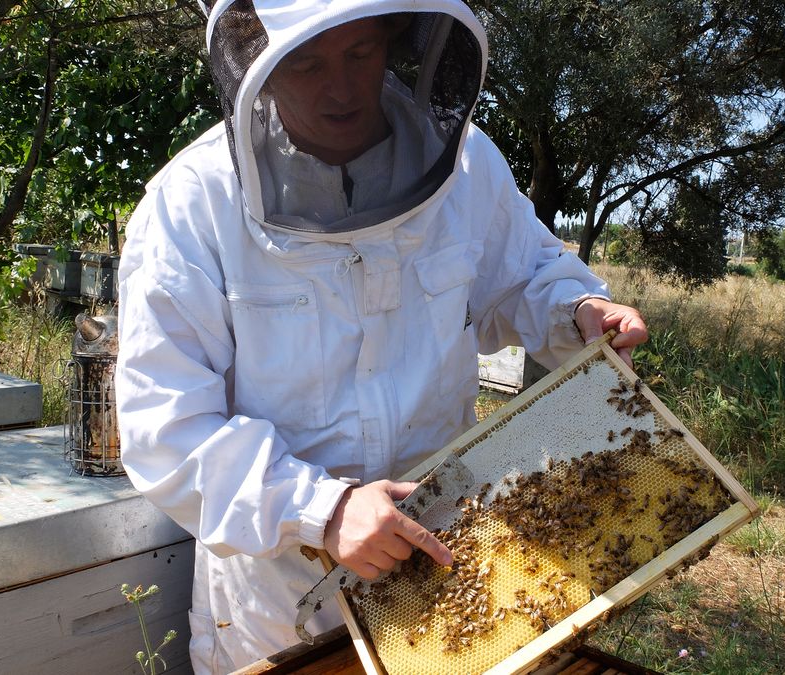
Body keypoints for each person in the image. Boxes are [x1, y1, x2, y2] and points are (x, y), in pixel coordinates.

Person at [114, 1, 648, 672]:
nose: (339, 87)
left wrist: (578, 310)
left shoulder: (467, 164)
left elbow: (524, 274)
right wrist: (323, 507)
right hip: (283, 598)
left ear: (395, 39)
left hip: (447, 562)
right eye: (307, 63)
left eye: (359, 53)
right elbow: (167, 427)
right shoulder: (190, 205)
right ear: (259, 63)